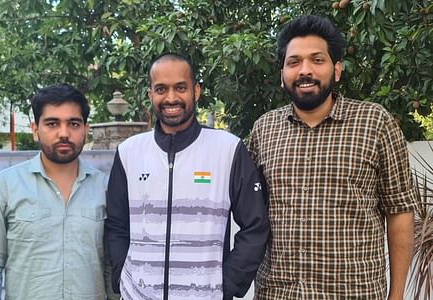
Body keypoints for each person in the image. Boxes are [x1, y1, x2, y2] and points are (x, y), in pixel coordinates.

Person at [249, 15, 418, 299]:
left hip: (354, 293)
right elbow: (250, 211)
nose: (305, 71)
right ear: (282, 75)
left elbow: (400, 210)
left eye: (317, 60)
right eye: (294, 62)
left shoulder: (375, 122)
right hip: (277, 293)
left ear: (336, 69)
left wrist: (397, 294)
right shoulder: (264, 129)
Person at [105, 53, 270, 300]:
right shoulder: (129, 151)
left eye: (180, 87)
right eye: (161, 89)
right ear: (150, 94)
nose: (171, 98)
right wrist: (121, 276)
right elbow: (116, 224)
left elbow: (255, 224)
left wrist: (228, 284)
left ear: (196, 91)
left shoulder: (227, 149)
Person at [0, 83, 118, 300]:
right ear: (35, 130)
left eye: (74, 123)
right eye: (52, 123)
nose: (64, 133)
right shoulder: (4, 186)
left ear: (86, 129)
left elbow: (110, 268)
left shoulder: (105, 188)